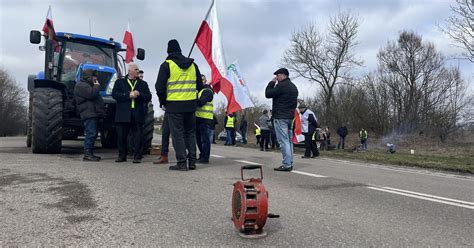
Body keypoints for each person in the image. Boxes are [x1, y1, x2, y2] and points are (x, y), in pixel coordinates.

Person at [156, 39, 203, 171]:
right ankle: (192, 162)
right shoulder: (193, 65)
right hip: (190, 106)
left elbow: (159, 86)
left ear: (168, 51)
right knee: (190, 133)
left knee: (178, 135)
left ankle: (182, 163)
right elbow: (200, 86)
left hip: (174, 106)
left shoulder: (166, 65)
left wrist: (163, 102)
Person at [112, 63, 152, 163]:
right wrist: (127, 95)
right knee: (122, 136)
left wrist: (139, 94)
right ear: (130, 71)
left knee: (138, 136)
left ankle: (137, 156)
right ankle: (122, 156)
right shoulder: (120, 82)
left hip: (137, 114)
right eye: (136, 69)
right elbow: (115, 95)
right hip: (123, 114)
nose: (138, 71)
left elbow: (148, 97)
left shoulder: (143, 84)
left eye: (138, 70)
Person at [265, 68, 298, 172]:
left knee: (283, 142)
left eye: (278, 76)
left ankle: (286, 164)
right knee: (288, 141)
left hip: (280, 117)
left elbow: (268, 94)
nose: (277, 78)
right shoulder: (293, 87)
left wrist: (271, 83)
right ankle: (290, 162)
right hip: (290, 117)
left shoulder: (281, 86)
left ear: (284, 75)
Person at [74, 69, 106, 161]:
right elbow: (92, 94)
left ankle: (90, 153)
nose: (95, 79)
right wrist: (97, 85)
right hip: (88, 113)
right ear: (89, 77)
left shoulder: (86, 85)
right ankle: (87, 154)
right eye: (94, 77)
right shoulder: (81, 85)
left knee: (93, 133)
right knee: (91, 133)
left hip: (92, 112)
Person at [195, 74, 214, 164]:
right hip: (198, 118)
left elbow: (201, 102)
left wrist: (192, 99)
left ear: (205, 81)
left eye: (203, 80)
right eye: (199, 80)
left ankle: (205, 158)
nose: (201, 81)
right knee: (199, 139)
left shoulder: (207, 91)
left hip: (204, 119)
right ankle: (202, 155)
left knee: (204, 139)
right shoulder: (199, 91)